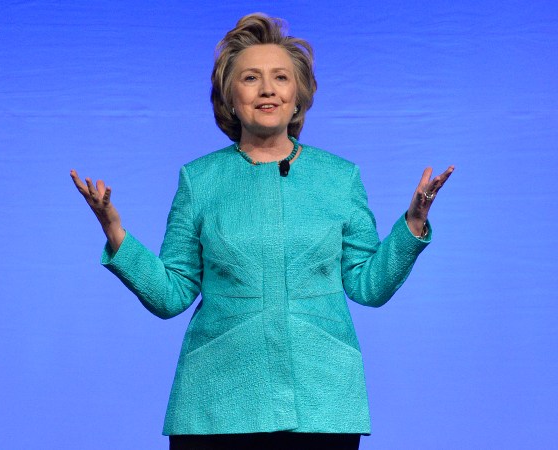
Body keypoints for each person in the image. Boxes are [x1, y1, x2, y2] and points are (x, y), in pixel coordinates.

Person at [71, 13, 453, 450]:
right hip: (215, 404)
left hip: (321, 400)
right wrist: (115, 232)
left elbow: (368, 286)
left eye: (280, 77)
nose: (267, 89)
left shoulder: (340, 177)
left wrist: (413, 224)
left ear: (298, 97)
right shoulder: (199, 180)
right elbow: (171, 295)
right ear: (230, 99)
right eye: (251, 77)